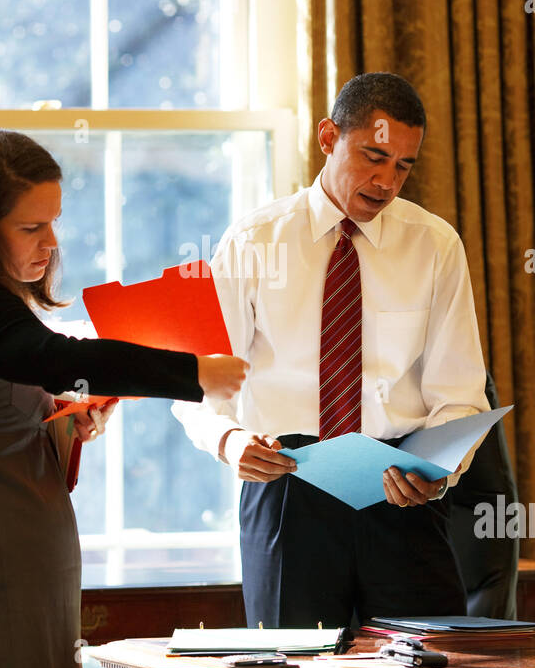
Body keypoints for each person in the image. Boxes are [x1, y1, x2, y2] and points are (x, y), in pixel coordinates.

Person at [0, 130, 247, 668]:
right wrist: (193, 373)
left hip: (5, 548)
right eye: (31, 227)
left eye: (53, 222)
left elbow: (5, 397)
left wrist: (61, 413)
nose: (51, 241)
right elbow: (63, 360)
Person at [172, 72, 490, 629]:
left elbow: (460, 394)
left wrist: (441, 469)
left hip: (401, 493)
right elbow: (196, 382)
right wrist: (229, 441)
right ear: (327, 138)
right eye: (373, 156)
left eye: (403, 166)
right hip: (287, 487)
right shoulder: (253, 242)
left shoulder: (435, 245)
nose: (387, 181)